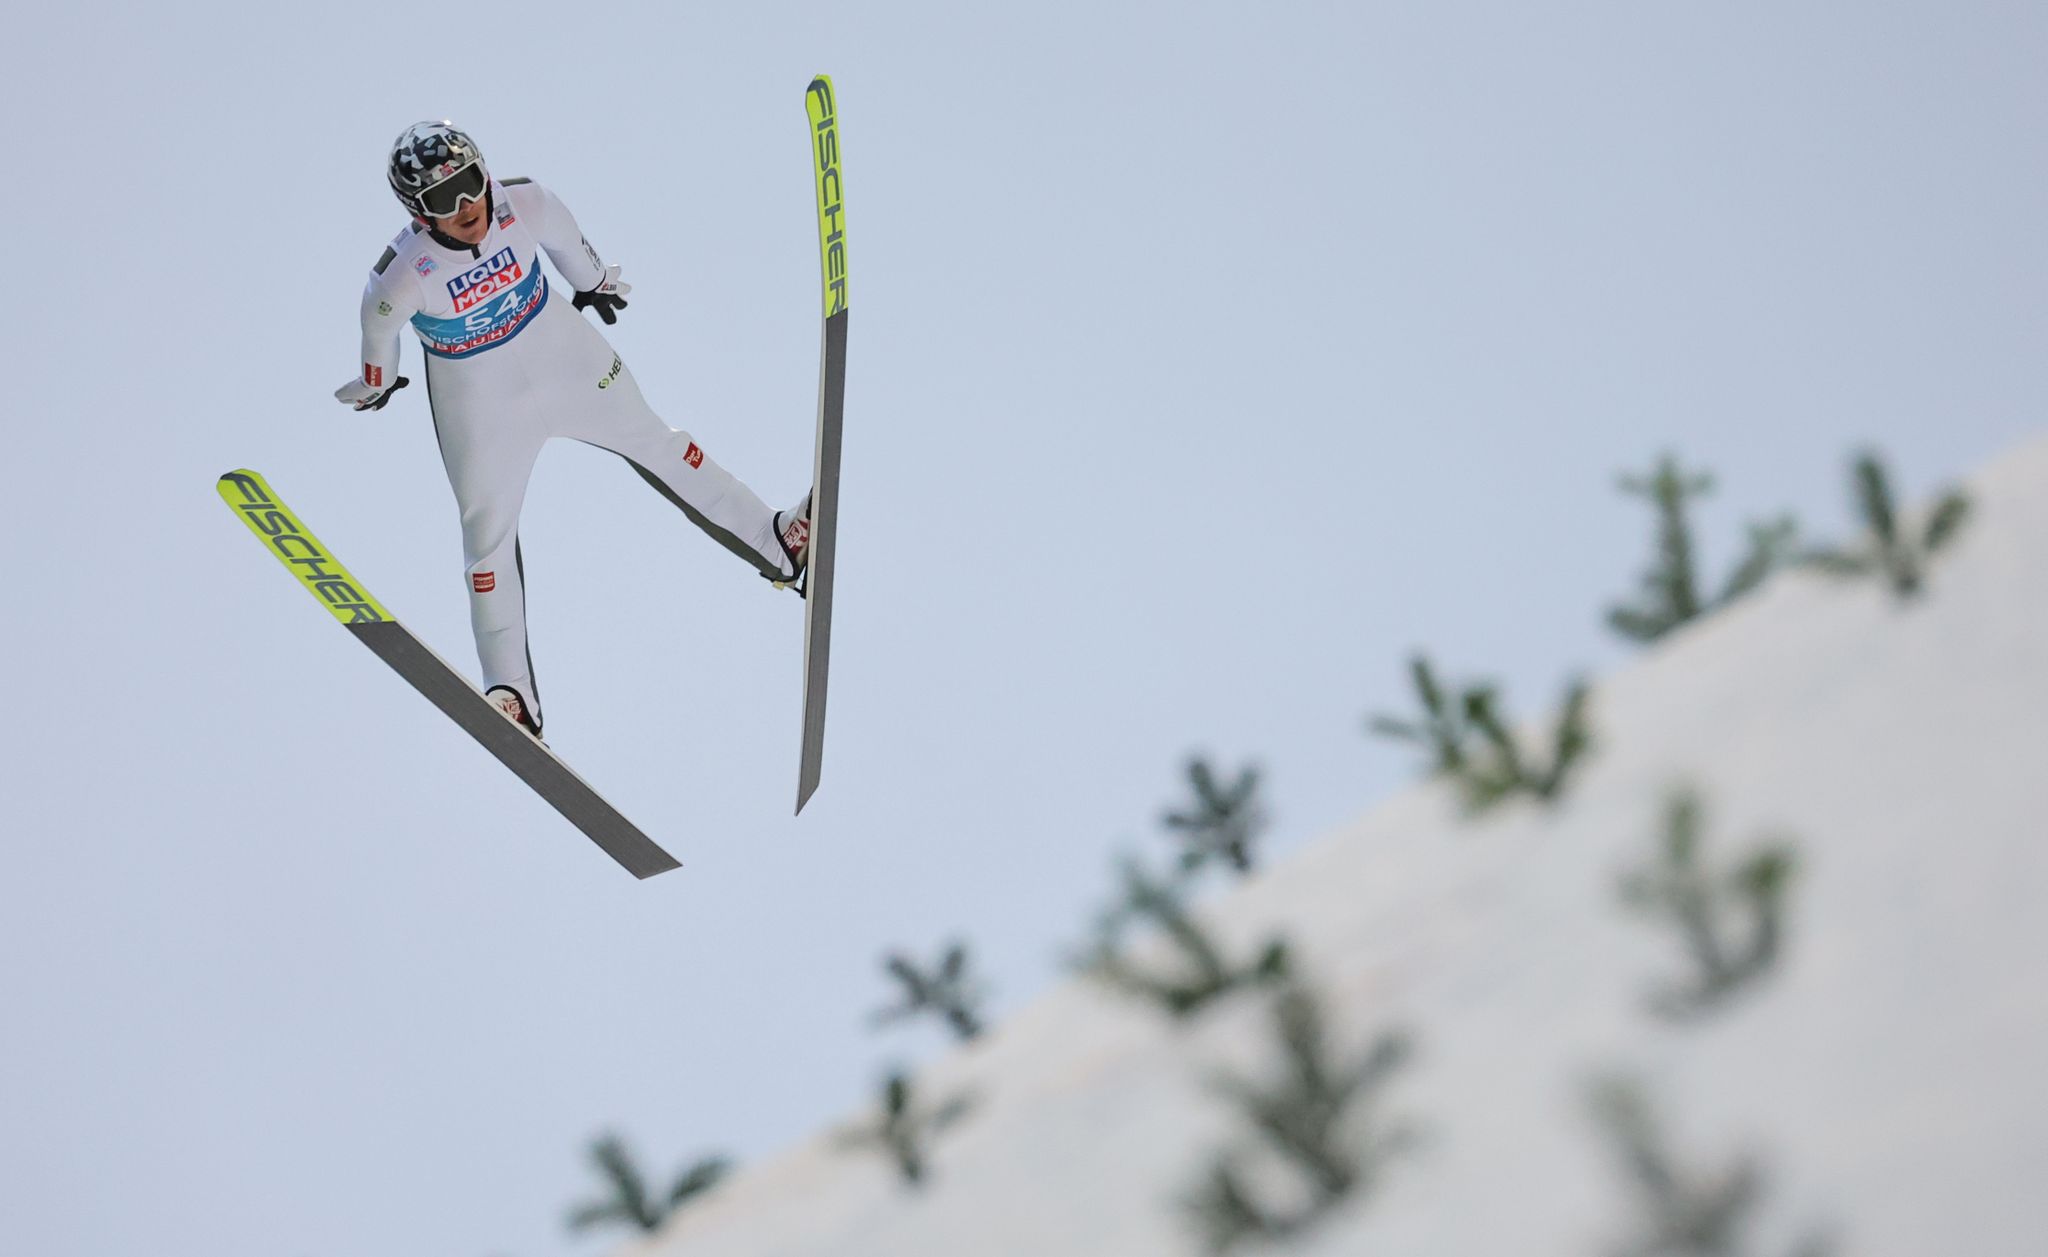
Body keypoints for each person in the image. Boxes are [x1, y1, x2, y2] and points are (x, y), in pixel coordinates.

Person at [336, 121, 811, 740]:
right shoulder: (397, 278)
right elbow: (378, 343)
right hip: (482, 410)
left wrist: (597, 285)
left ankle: (779, 540)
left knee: (665, 446)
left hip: (568, 363)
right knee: (487, 543)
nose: (465, 208)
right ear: (418, 215)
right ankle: (512, 694)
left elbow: (575, 252)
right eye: (443, 200)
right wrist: (376, 384)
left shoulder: (525, 201)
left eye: (469, 184)